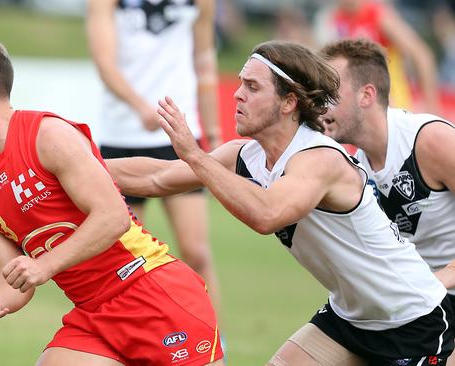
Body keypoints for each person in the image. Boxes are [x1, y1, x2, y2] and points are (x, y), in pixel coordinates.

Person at [105, 40, 454, 364]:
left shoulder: (320, 158)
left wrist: (196, 157)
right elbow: (156, 177)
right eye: (240, 84)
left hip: (413, 320)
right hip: (350, 317)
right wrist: (77, 161)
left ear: (289, 102)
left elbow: (267, 214)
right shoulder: (247, 156)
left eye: (252, 87)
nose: (238, 95)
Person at [0, 36, 224, 366]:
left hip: (151, 293)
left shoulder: (47, 136)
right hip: (94, 314)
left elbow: (113, 217)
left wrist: (43, 265)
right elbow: (13, 279)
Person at [319, 37, 455, 365]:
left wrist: (442, 277)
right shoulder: (352, 166)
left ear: (367, 95)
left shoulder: (430, 141)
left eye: (330, 95)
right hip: (409, 304)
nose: (320, 107)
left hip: (436, 300)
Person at [86, 0, 223, 317]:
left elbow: (204, 62)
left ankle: (214, 342)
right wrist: (140, 107)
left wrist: (212, 133)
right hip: (122, 138)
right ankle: (129, 342)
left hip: (181, 137)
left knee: (197, 251)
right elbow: (105, 64)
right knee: (125, 257)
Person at [313, 0, 442, 114]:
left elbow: (422, 56)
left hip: (391, 105)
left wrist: (432, 108)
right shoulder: (334, 19)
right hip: (358, 107)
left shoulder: (379, 15)